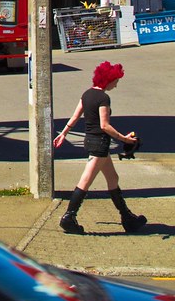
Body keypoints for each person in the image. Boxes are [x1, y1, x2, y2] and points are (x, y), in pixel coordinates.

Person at [53, 60, 146, 235]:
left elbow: (74, 117)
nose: (116, 85)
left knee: (113, 178)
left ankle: (127, 218)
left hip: (91, 141)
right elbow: (104, 125)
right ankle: (68, 217)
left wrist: (64, 133)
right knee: (85, 181)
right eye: (115, 82)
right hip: (99, 144)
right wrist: (124, 139)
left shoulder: (86, 94)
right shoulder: (104, 98)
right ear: (108, 80)